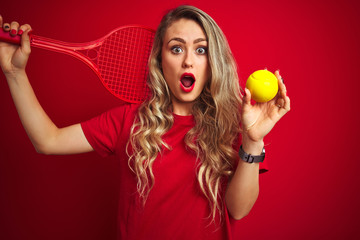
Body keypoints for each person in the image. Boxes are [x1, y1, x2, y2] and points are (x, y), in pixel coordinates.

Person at [0, 5, 290, 240]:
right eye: (176, 48)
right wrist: (15, 74)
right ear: (160, 60)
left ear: (213, 62)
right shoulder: (128, 120)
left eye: (200, 50)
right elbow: (47, 141)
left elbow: (238, 210)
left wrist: (253, 140)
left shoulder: (233, 126)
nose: (188, 60)